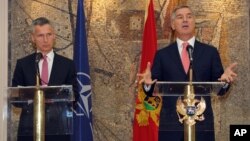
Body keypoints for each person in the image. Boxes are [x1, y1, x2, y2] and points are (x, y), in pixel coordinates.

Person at [138, 5, 237, 141]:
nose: (185, 20)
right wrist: (148, 85)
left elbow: (219, 90)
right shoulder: (162, 55)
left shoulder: (210, 52)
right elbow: (152, 90)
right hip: (171, 126)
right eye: (180, 17)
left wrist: (224, 83)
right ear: (173, 25)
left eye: (189, 16)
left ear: (194, 22)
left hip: (202, 126)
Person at [12, 17, 77, 141]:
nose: (45, 40)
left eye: (49, 34)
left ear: (54, 36)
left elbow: (75, 97)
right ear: (33, 38)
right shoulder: (23, 64)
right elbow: (15, 97)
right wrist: (32, 98)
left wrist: (55, 99)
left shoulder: (67, 65)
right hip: (29, 130)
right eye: (40, 36)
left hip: (58, 130)